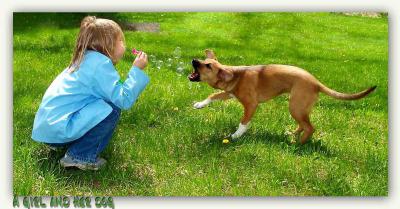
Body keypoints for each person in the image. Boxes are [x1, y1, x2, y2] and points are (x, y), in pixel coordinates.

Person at [31, 16, 149, 170]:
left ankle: (72, 146)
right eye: (121, 41)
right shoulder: (100, 65)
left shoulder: (87, 59)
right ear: (108, 44)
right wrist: (136, 70)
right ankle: (80, 156)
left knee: (104, 103)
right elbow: (123, 99)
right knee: (111, 107)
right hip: (60, 129)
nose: (124, 45)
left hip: (49, 129)